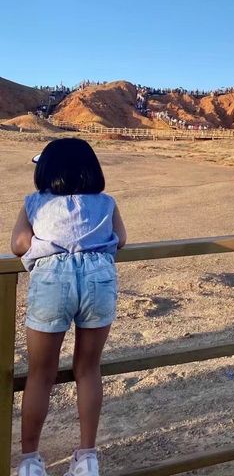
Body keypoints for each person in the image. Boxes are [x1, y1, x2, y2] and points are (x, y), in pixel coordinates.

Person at [10, 138, 127, 476]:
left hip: (53, 281)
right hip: (98, 279)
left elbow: (18, 243)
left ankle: (30, 460)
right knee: (88, 369)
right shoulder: (106, 203)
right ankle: (87, 457)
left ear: (47, 172)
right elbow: (121, 238)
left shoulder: (35, 203)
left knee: (41, 374)